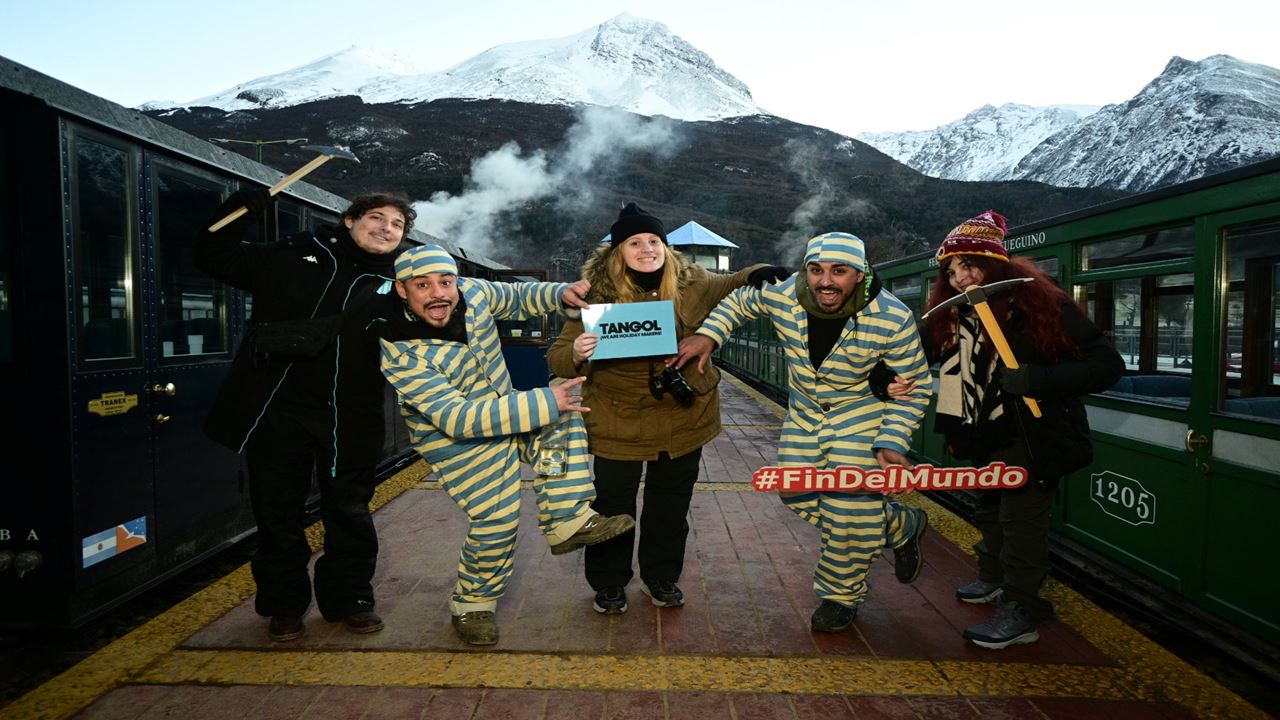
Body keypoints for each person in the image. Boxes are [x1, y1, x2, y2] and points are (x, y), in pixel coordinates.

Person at [673, 231, 934, 633]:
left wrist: (891, 440)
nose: (825, 281)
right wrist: (710, 334)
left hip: (860, 415)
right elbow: (739, 303)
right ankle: (897, 525)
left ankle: (839, 596)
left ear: (860, 273)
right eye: (816, 270)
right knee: (795, 491)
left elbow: (913, 389)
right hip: (805, 415)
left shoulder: (892, 316)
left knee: (849, 510)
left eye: (839, 271)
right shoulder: (784, 294)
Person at [380, 244, 636, 645]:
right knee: (497, 520)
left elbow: (518, 296)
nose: (439, 294)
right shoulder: (399, 351)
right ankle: (472, 606)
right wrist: (543, 401)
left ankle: (565, 517)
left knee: (562, 413)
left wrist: (559, 294)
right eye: (423, 285)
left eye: (446, 282)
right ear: (402, 291)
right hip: (454, 441)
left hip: (503, 408)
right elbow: (456, 419)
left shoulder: (475, 293)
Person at [195, 188, 417, 642]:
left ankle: (351, 598)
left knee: (350, 512)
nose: (386, 229)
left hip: (351, 415)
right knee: (277, 512)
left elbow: (447, 314)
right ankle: (284, 606)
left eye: (396, 225)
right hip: (277, 411)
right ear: (350, 220)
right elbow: (215, 255)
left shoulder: (400, 281)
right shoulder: (295, 253)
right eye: (376, 217)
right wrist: (239, 211)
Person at [545, 203, 788, 615]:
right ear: (617, 252)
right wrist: (578, 353)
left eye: (653, 241)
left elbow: (737, 280)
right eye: (634, 242)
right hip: (616, 419)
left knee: (670, 504)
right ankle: (609, 584)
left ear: (665, 246)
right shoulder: (594, 295)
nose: (646, 249)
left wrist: (760, 271)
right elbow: (556, 357)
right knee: (612, 505)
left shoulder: (695, 281)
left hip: (683, 416)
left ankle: (661, 578)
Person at [910, 210, 1122, 649]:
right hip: (982, 432)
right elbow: (910, 357)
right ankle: (993, 577)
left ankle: (1023, 606)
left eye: (969, 266)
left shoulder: (1044, 305)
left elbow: (1107, 366)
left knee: (1022, 520)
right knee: (988, 505)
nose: (961, 279)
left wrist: (1037, 381)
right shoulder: (948, 317)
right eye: (951, 271)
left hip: (1035, 435)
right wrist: (886, 377)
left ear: (996, 265)